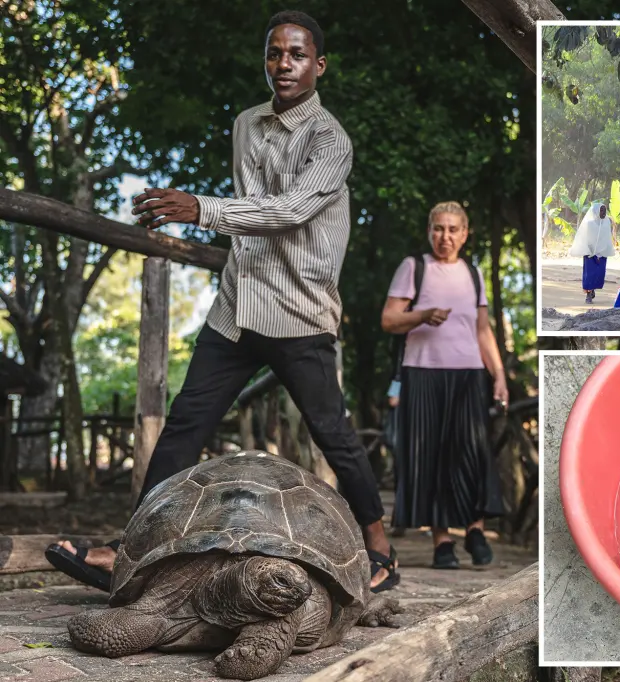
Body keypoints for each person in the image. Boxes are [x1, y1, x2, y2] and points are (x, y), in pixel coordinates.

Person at [44, 10, 400, 594]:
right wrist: (214, 220)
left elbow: (288, 211)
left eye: (297, 55)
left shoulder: (332, 141)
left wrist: (201, 209)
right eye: (274, 54)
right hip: (238, 304)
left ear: (320, 65)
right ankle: (131, 548)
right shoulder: (245, 124)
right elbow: (253, 207)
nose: (283, 64)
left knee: (332, 433)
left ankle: (380, 549)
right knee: (186, 424)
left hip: (299, 312)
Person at [380, 201, 508, 570]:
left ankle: (475, 530)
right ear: (429, 231)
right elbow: (389, 320)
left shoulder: (473, 272)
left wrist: (498, 375)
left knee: (472, 452)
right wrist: (421, 315)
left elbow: (483, 330)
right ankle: (442, 543)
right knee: (432, 456)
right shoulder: (413, 268)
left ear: (465, 234)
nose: (445, 236)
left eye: (453, 229)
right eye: (438, 228)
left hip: (469, 374)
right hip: (422, 373)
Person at [569, 202, 616, 304]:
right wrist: (592, 251)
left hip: (602, 252)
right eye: (601, 210)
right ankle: (588, 295)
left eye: (604, 210)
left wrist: (601, 251)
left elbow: (607, 237)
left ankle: (593, 289)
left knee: (598, 274)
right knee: (589, 275)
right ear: (596, 211)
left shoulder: (607, 222)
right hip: (590, 252)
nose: (603, 213)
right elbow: (586, 238)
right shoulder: (589, 224)